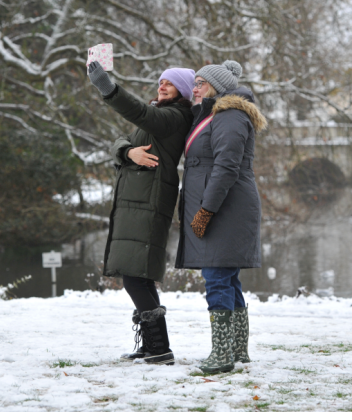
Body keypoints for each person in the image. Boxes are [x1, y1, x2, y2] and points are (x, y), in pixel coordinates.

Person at [88, 62, 194, 365]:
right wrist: (128, 152)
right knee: (141, 277)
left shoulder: (174, 116)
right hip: (137, 201)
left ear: (182, 92)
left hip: (148, 201)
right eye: (160, 82)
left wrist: (109, 89)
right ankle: (153, 346)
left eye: (169, 84)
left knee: (135, 278)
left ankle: (159, 349)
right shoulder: (159, 117)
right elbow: (120, 141)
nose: (161, 86)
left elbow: (140, 114)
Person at [175, 60, 267, 375]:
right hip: (223, 206)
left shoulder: (230, 116)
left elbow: (226, 167)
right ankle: (237, 350)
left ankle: (222, 354)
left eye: (200, 82)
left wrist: (206, 210)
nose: (195, 87)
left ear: (216, 86)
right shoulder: (214, 115)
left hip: (227, 208)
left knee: (216, 277)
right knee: (227, 277)